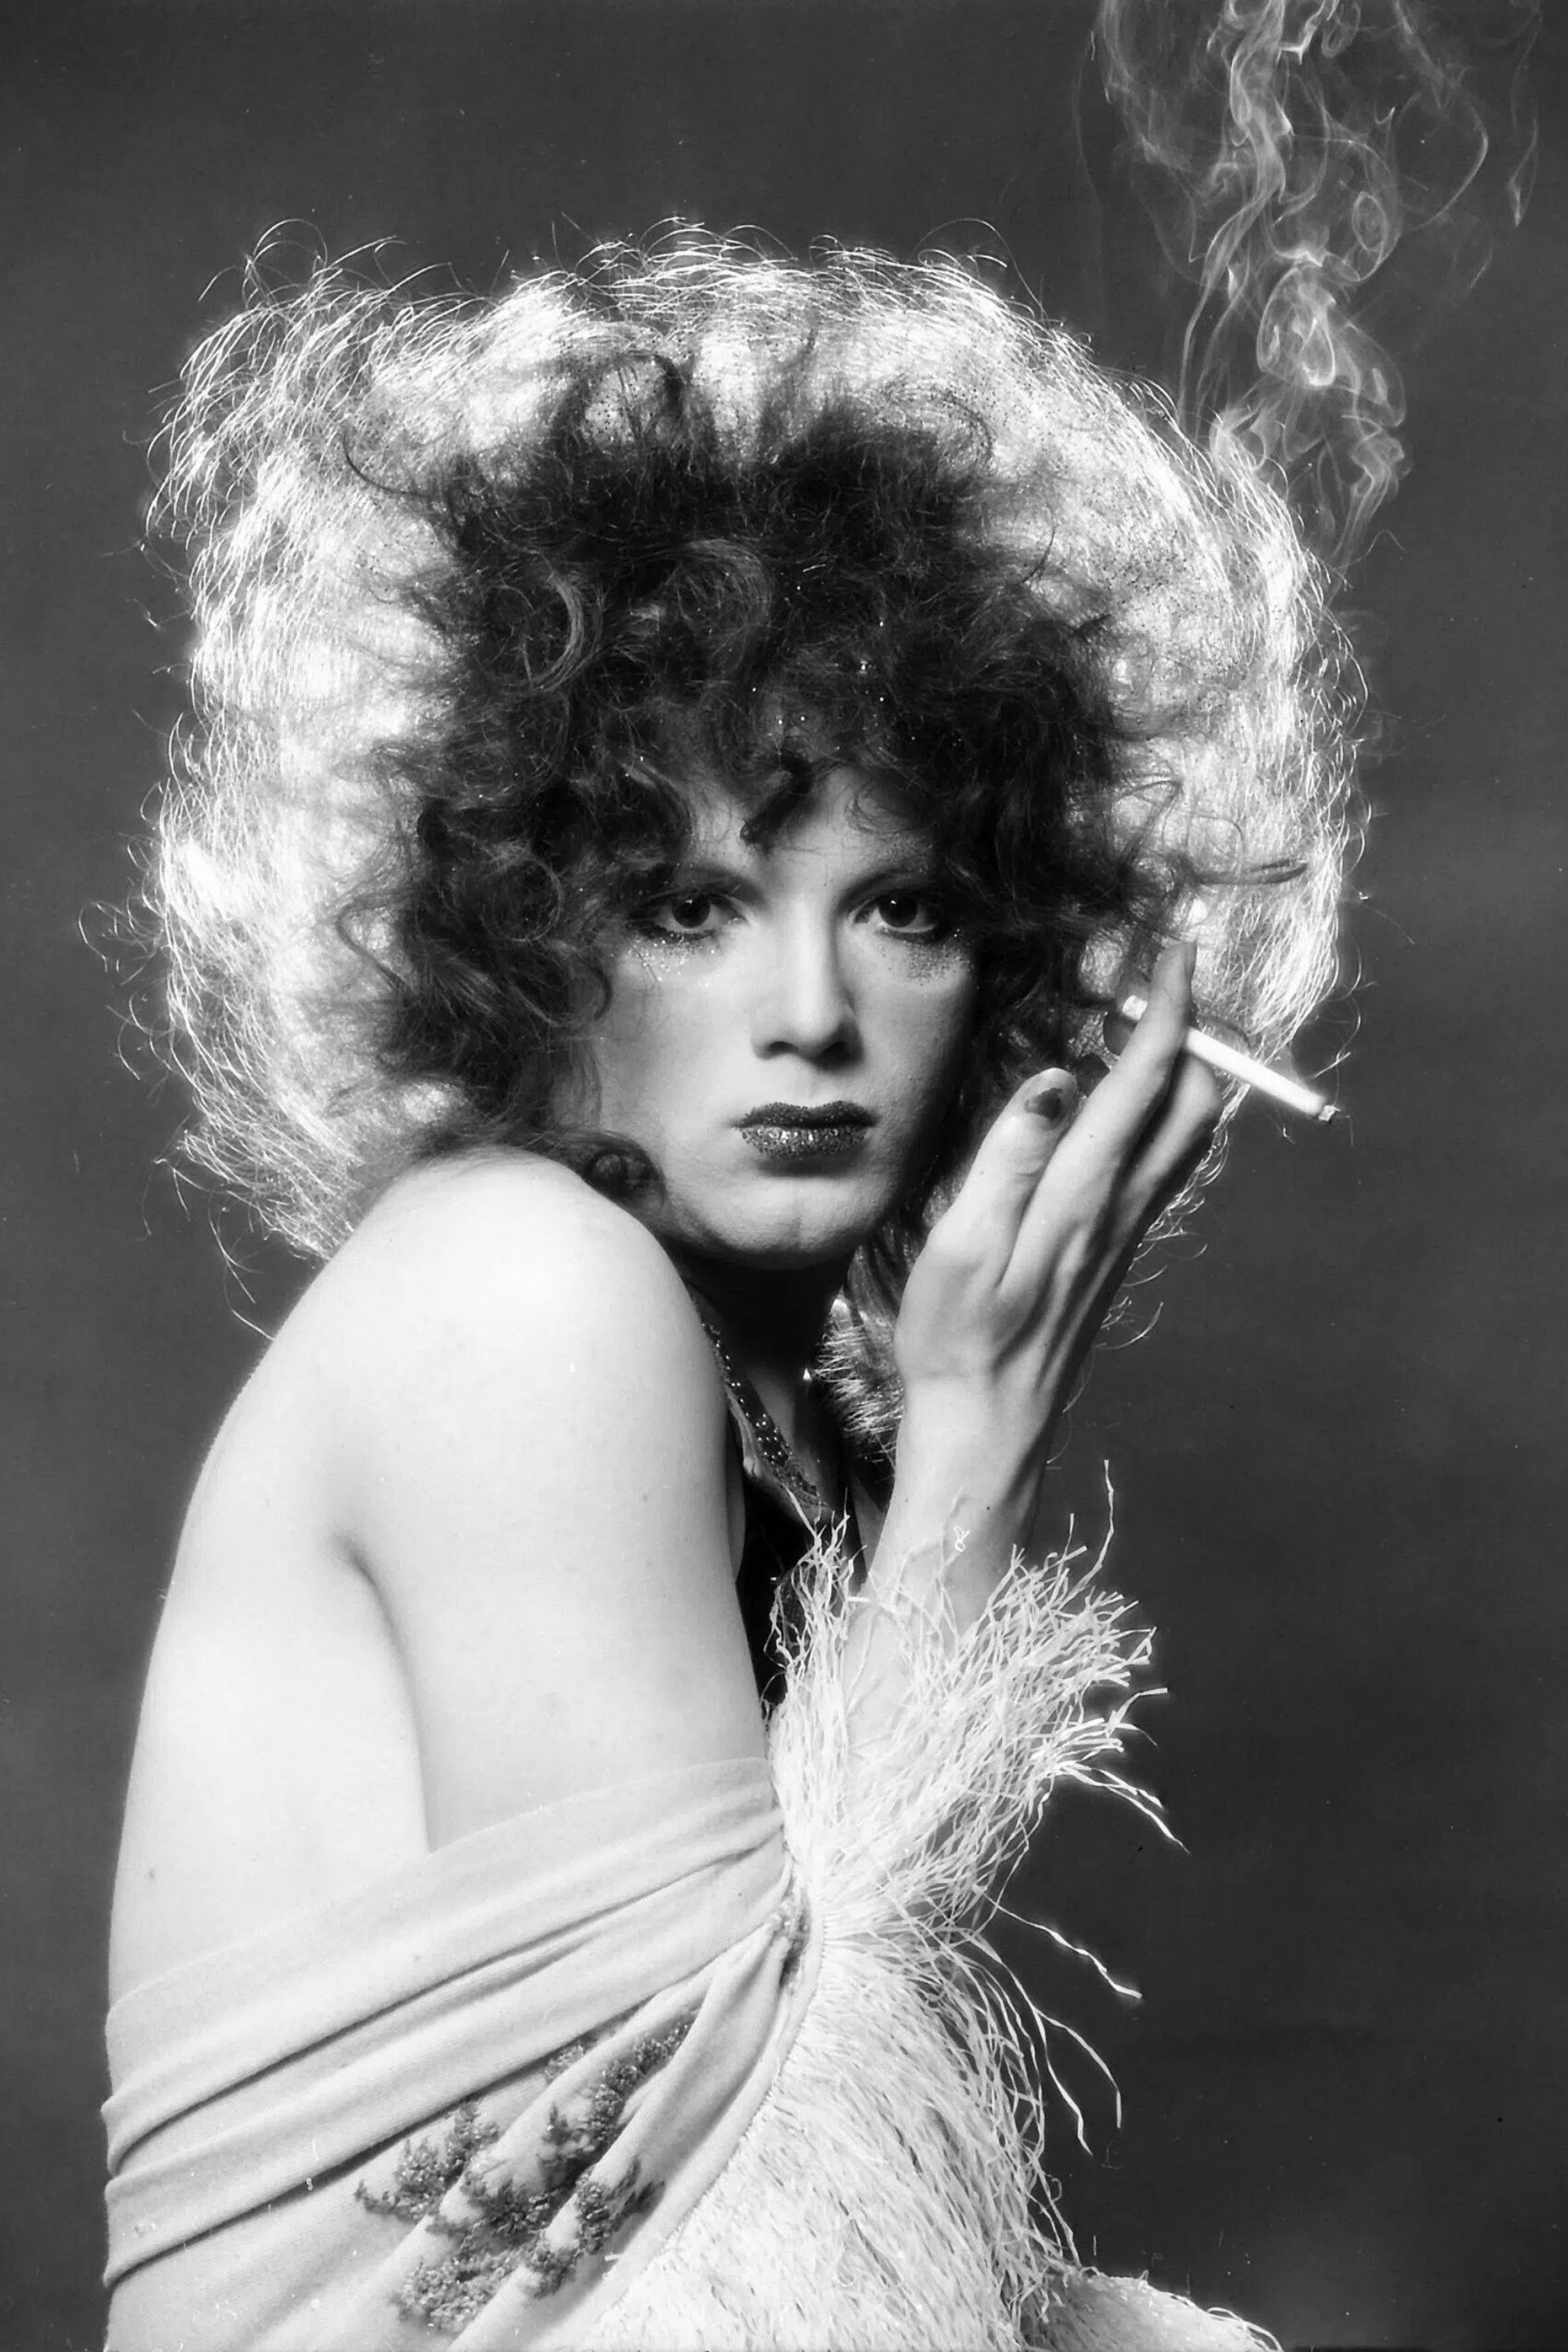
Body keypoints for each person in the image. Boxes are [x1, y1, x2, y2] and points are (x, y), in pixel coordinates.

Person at [103, 239, 1348, 2350]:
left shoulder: (775, 1407)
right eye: (690, 905)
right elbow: (751, 2252)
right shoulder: (524, 1288)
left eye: (905, 906)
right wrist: (971, 1460)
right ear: (522, 940)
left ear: (1016, 962)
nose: (810, 1014)